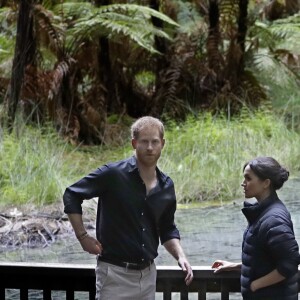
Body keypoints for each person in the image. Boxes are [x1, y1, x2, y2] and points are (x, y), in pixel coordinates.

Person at [63, 116, 193, 300]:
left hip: (148, 277)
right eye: (144, 141)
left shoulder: (166, 185)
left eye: (155, 141)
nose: (150, 147)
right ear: (134, 143)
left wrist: (181, 257)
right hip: (114, 276)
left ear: (162, 144)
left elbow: (167, 228)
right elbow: (71, 194)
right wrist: (83, 237)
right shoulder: (113, 174)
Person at [212, 156, 300, 300]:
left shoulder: (274, 219)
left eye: (248, 178)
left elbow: (289, 264)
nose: (243, 183)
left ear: (266, 183)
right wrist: (235, 266)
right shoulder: (263, 214)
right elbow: (265, 259)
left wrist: (255, 285)